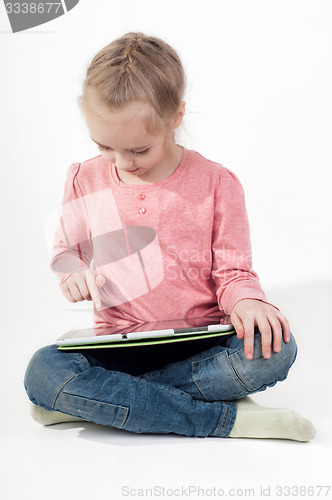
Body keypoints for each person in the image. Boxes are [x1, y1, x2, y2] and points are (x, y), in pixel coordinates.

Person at [24, 32, 315, 441]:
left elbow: (234, 272)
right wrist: (71, 274)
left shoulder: (218, 183)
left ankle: (99, 405)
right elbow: (66, 251)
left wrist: (248, 301)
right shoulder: (82, 177)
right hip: (119, 351)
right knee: (43, 369)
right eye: (105, 146)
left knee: (276, 351)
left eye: (139, 150)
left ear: (175, 116)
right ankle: (228, 420)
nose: (123, 162)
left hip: (202, 347)